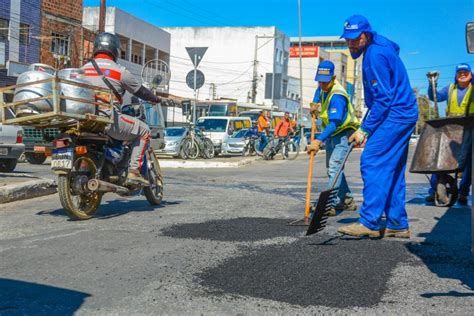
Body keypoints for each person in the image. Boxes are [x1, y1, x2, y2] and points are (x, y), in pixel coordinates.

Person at [337, 15, 419, 238]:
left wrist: (365, 130)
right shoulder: (382, 45)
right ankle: (397, 223)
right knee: (392, 169)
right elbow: (396, 48)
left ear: (366, 35)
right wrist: (364, 127)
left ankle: (369, 222)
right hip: (403, 113)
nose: (351, 44)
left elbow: (383, 100)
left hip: (396, 113)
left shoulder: (374, 56)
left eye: (355, 39)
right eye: (348, 40)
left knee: (372, 160)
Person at [81, 32, 162, 185]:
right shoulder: (120, 71)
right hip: (107, 119)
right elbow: (140, 91)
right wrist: (155, 99)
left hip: (84, 119)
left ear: (96, 48)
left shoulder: (83, 69)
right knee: (144, 131)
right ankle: (133, 172)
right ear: (115, 50)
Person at [307, 60, 360, 215]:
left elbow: (334, 123)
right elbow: (319, 91)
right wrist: (315, 103)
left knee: (334, 167)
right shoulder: (323, 86)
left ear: (334, 77)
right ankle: (347, 200)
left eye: (325, 82)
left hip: (344, 134)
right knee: (334, 169)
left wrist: (318, 140)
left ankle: (329, 204)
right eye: (320, 81)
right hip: (333, 134)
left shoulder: (338, 95)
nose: (322, 85)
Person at [425, 64, 473, 205]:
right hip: (451, 130)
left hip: (470, 129)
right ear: (456, 75)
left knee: (469, 163)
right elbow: (436, 97)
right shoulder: (451, 88)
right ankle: (434, 190)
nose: (462, 74)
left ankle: (463, 193)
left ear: (471, 74)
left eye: (465, 72)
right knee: (441, 161)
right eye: (459, 72)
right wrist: (431, 84)